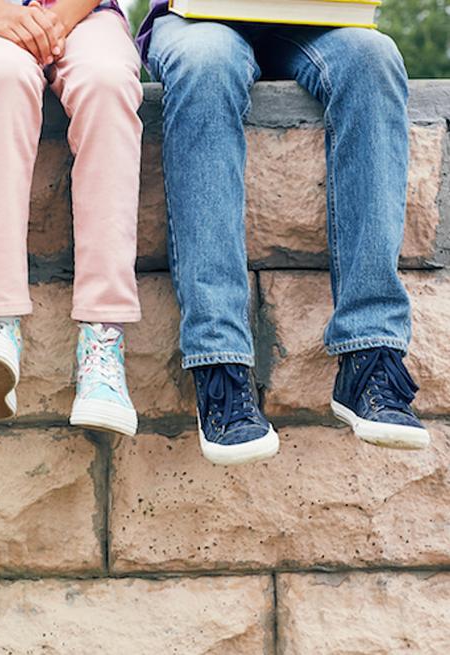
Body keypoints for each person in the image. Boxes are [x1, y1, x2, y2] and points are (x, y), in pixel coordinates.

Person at [138, 2, 431, 465]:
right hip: (200, 19)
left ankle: (372, 357)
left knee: (374, 58)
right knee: (205, 66)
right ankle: (220, 366)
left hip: (319, 18)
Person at [0, 0, 143, 436]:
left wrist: (54, 21)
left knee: (106, 81)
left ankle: (103, 340)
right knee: (4, 74)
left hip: (84, 16)